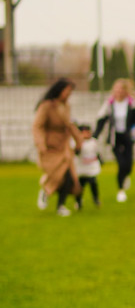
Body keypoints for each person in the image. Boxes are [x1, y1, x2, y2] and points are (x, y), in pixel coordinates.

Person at [32, 78, 83, 216]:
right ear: (60, 90)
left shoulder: (66, 107)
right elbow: (38, 126)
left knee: (69, 178)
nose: (68, 95)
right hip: (50, 148)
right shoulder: (47, 106)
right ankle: (45, 190)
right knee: (58, 176)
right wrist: (41, 144)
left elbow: (69, 125)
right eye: (67, 91)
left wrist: (78, 139)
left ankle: (60, 205)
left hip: (64, 147)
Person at [94, 78, 135, 203]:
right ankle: (121, 191)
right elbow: (101, 120)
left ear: (125, 91)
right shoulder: (109, 103)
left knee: (128, 164)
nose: (119, 92)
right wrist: (95, 135)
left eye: (121, 89)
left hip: (128, 137)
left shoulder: (131, 103)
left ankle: (126, 176)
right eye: (117, 89)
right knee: (121, 164)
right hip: (115, 138)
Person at [74, 123, 102, 209]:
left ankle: (96, 199)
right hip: (81, 169)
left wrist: (100, 161)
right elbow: (76, 153)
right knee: (79, 187)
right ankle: (78, 202)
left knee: (93, 183)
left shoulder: (93, 142)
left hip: (91, 168)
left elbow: (97, 153)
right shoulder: (78, 142)